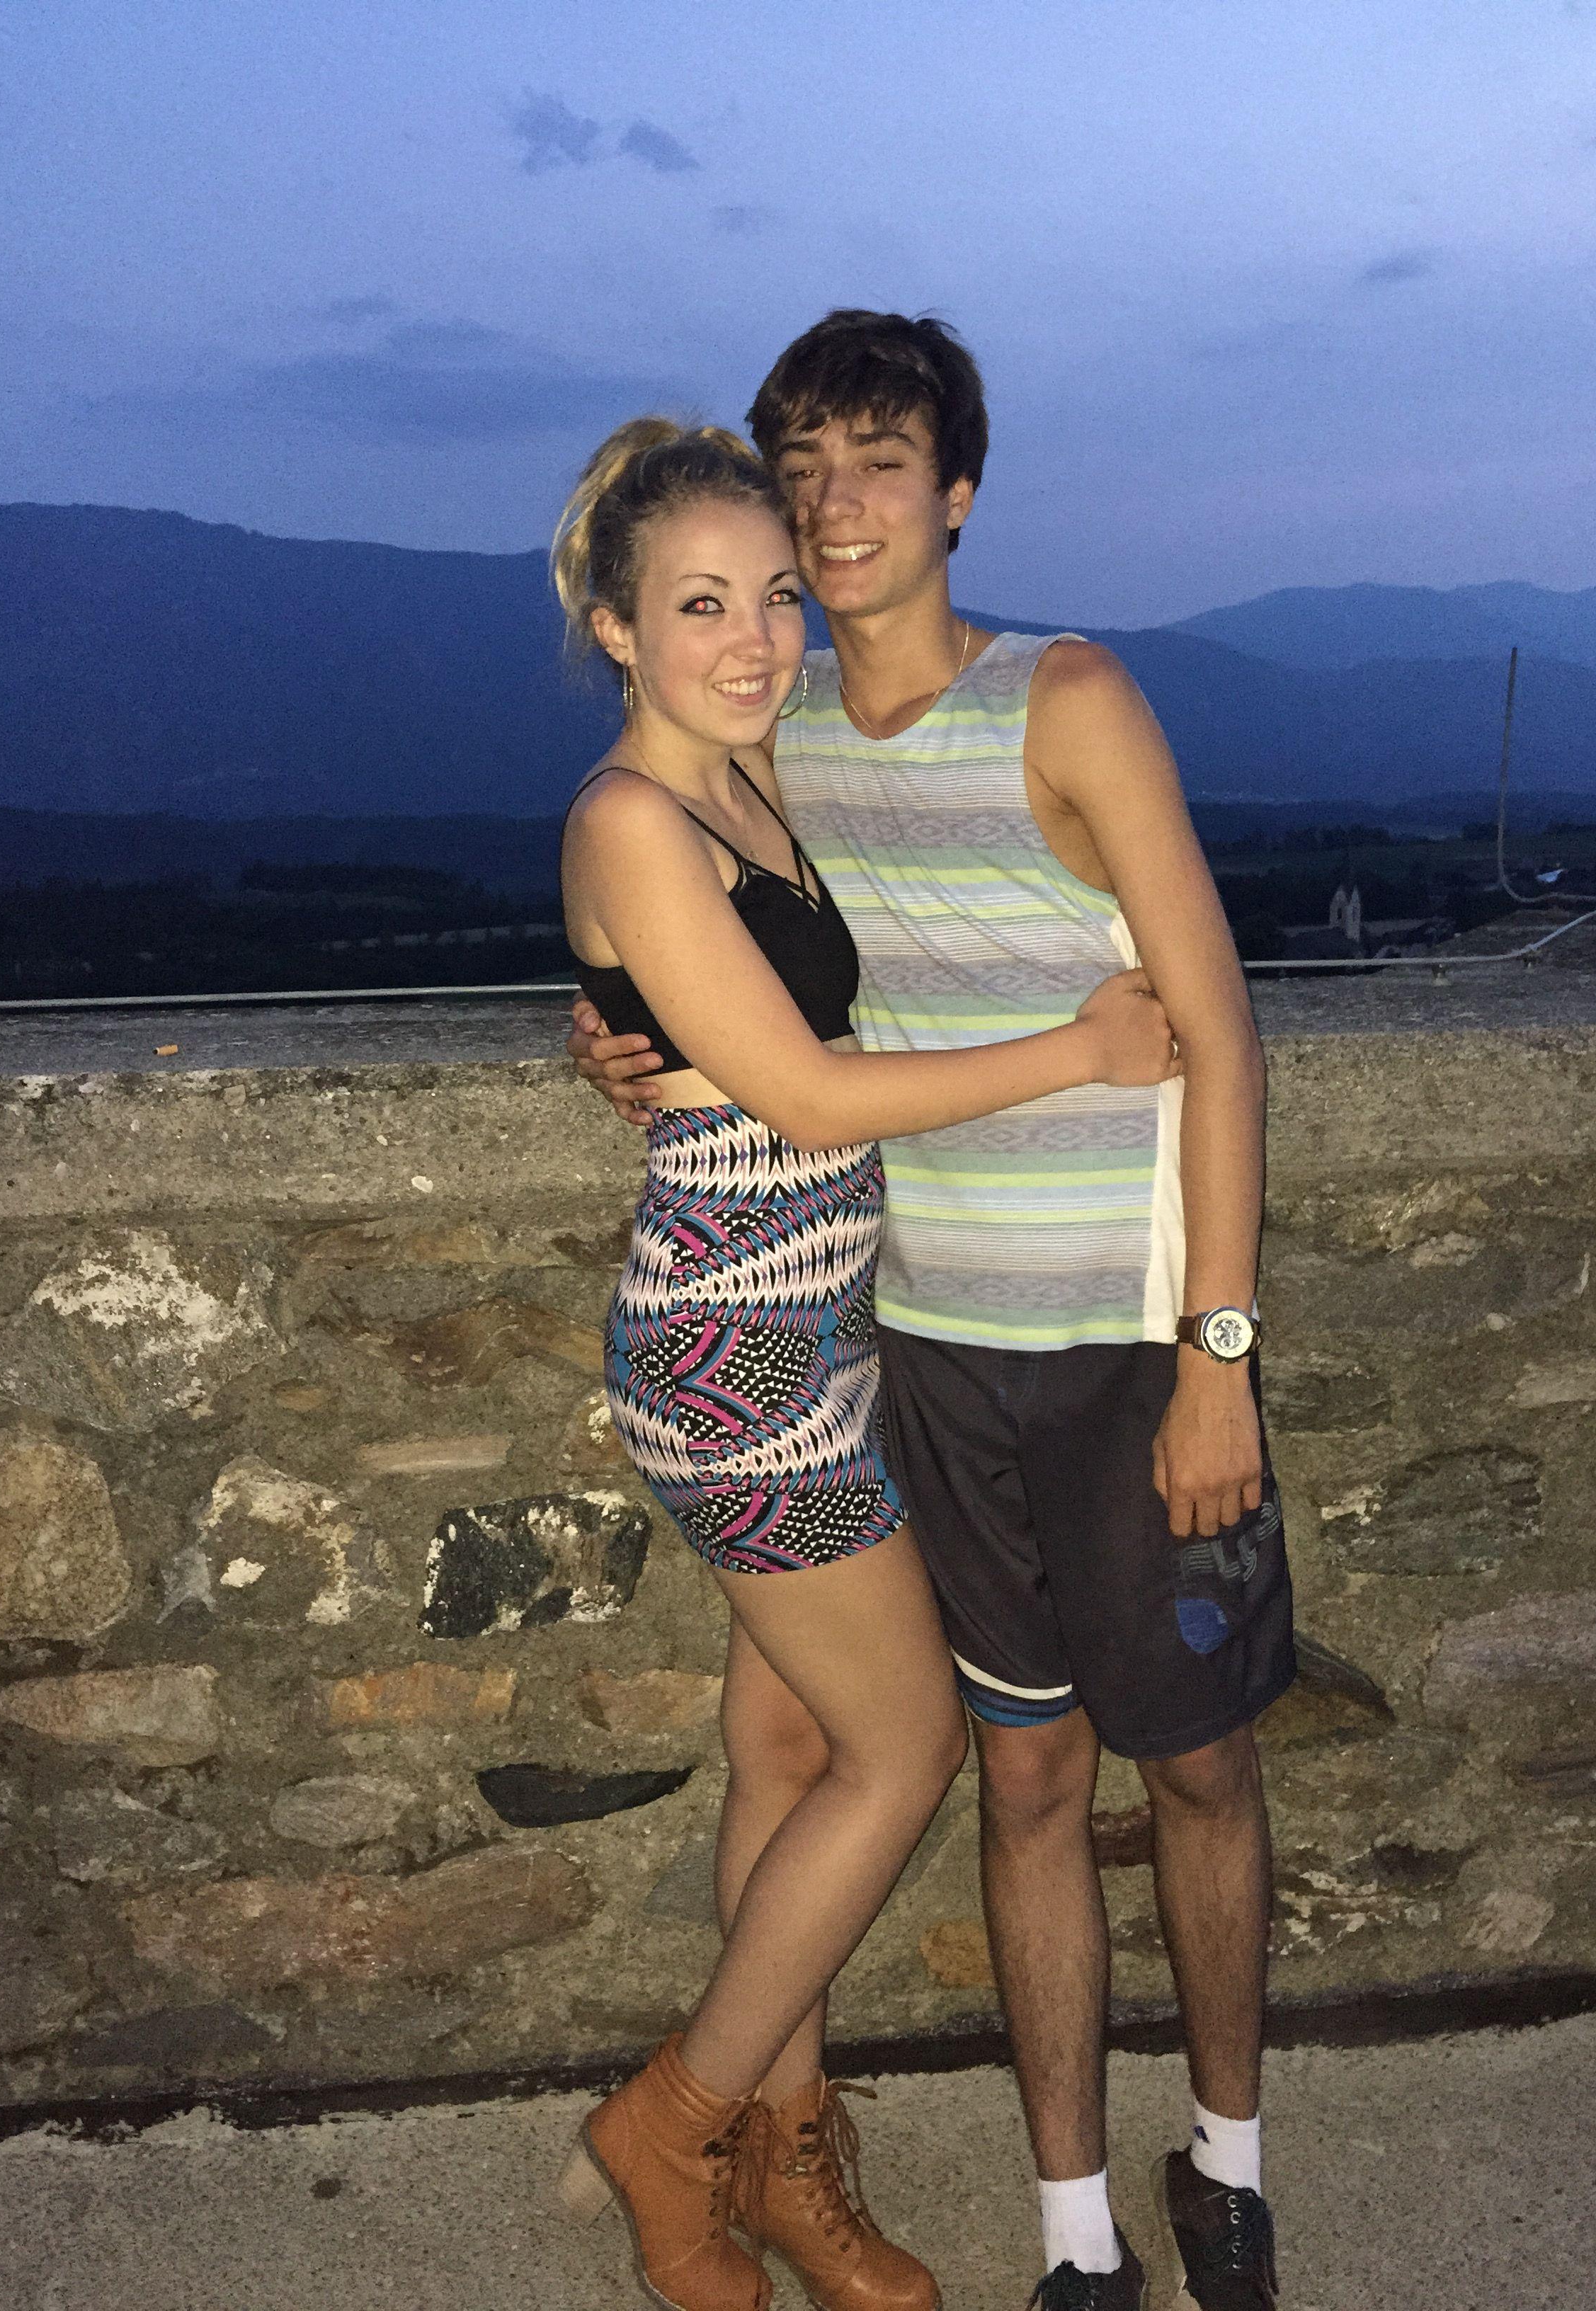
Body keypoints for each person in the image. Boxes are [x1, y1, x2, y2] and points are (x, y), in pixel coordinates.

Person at [571, 314, 1295, 2311]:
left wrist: (1218, 1354)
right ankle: (785, 2152)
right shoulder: (755, 732)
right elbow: (732, 991)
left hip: (1072, 1345)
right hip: (871, 1354)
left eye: (876, 464)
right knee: (956, 1766)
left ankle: (1163, 2166)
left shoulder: (1017, 704)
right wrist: (617, 1022)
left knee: (1095, 1764)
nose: (829, 514)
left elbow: (1221, 1036)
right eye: (800, 470)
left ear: (957, 491)